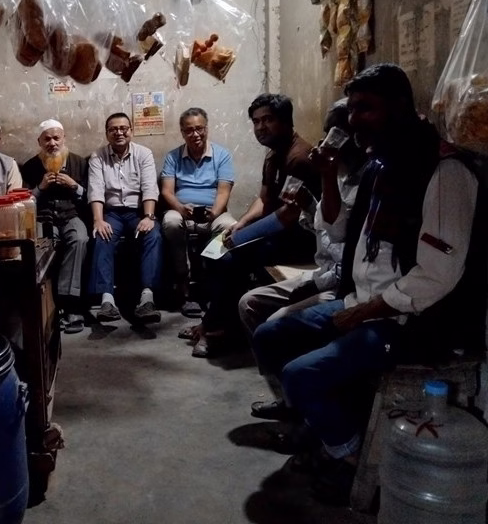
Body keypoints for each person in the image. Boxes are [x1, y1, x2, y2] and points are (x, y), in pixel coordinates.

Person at [252, 64, 483, 505]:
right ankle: (319, 424)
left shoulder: (444, 172)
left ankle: (351, 459)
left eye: (365, 109)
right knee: (271, 335)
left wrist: (360, 313)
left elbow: (436, 277)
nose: (353, 120)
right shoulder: (381, 165)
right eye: (352, 109)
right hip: (359, 301)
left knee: (303, 375)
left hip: (410, 323)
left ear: (400, 107)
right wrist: (326, 176)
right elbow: (337, 233)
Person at [241, 99, 366, 422]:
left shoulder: (361, 181)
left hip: (342, 284)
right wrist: (308, 204)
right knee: (249, 301)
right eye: (327, 134)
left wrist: (241, 236)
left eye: (337, 134)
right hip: (324, 271)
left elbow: (340, 241)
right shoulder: (337, 175)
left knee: (255, 269)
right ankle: (286, 390)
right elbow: (321, 226)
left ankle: (297, 402)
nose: (326, 143)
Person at [186, 93, 321, 358]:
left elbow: (289, 215)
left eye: (268, 120)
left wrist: (243, 237)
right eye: (256, 121)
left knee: (229, 258)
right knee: (212, 249)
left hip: (303, 238)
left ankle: (216, 331)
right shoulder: (274, 156)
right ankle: (217, 321)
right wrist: (241, 225)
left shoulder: (299, 157)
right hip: (280, 233)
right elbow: (264, 198)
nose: (261, 127)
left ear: (285, 121)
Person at [160, 107, 236, 318]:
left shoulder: (222, 155)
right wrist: (180, 208)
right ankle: (184, 287)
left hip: (214, 211)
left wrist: (214, 213)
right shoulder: (173, 157)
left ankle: (214, 286)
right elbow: (167, 191)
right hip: (181, 211)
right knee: (171, 222)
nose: (195, 134)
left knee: (228, 227)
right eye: (189, 130)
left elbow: (223, 191)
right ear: (183, 132)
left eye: (199, 129)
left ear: (207, 129)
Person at [88, 113, 163, 325]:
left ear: (131, 130)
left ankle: (147, 299)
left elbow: (149, 187)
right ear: (107, 133)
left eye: (124, 128)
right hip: (111, 213)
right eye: (113, 129)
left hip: (137, 212)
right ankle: (107, 300)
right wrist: (98, 220)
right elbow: (96, 190)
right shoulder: (98, 156)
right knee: (102, 235)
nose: (119, 132)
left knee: (153, 234)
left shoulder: (144, 154)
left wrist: (149, 217)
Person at [21, 119, 89, 334]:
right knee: (44, 246)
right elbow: (24, 202)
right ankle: (50, 307)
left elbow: (91, 197)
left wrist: (74, 186)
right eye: (47, 139)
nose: (52, 143)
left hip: (72, 215)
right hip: (44, 217)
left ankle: (71, 306)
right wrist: (40, 188)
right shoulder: (31, 166)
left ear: (63, 138)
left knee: (79, 239)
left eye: (56, 138)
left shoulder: (79, 162)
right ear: (39, 142)